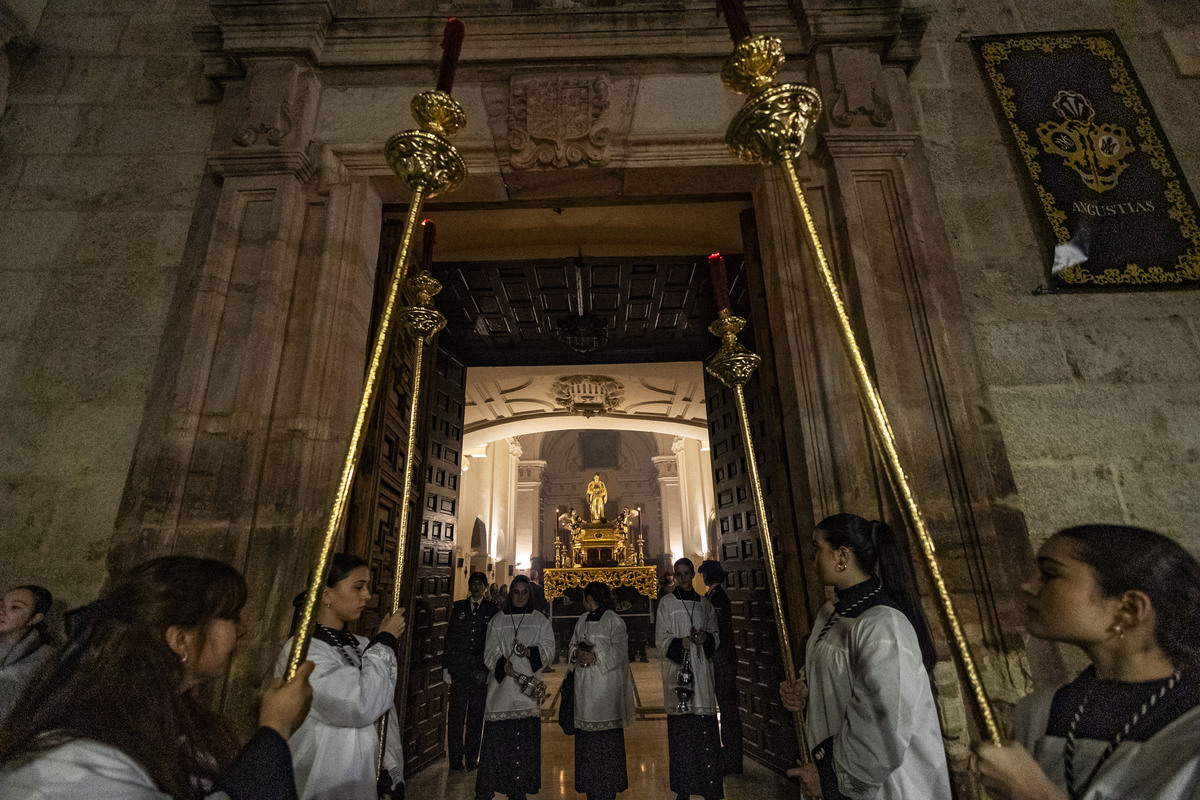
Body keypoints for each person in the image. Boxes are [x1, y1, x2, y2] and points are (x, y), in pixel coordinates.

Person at [0, 556, 314, 800]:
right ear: (181, 640)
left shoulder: (173, 723)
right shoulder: (76, 756)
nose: (242, 630)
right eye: (230, 615)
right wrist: (275, 729)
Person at [974, 524, 1200, 800]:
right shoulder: (1041, 713)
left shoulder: (1191, 723)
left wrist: (1032, 793)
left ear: (1128, 609)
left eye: (1049, 574)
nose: (1028, 586)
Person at [779, 513, 950, 800]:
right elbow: (829, 673)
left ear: (841, 556)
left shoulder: (883, 626)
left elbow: (883, 721)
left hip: (882, 784)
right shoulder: (830, 613)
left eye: (816, 548)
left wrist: (830, 776)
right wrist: (803, 688)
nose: (812, 559)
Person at [275, 553, 407, 800]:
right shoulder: (303, 652)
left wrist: (389, 767)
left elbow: (384, 714)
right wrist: (385, 642)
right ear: (326, 595)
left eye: (367, 586)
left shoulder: (362, 645)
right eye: (358, 587)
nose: (367, 595)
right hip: (326, 780)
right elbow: (359, 704)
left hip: (365, 778)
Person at [475, 575, 554, 800]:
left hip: (526, 695)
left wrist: (531, 652)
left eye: (524, 593)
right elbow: (489, 650)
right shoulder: (498, 620)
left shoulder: (539, 620)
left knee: (523, 746)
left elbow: (549, 648)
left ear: (530, 595)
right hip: (500, 693)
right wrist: (501, 664)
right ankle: (491, 788)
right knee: (498, 746)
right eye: (516, 592)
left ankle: (518, 792)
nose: (520, 597)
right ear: (511, 594)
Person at [657, 557, 723, 800]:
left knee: (704, 731)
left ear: (693, 574)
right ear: (674, 576)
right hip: (679, 672)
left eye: (686, 573)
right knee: (682, 735)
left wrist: (705, 639)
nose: (682, 578)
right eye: (678, 574)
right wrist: (681, 643)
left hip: (702, 671)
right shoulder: (666, 603)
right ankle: (683, 790)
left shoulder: (705, 604)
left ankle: (709, 787)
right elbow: (661, 638)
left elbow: (716, 634)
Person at [570, 582, 635, 800]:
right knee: (587, 744)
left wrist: (597, 657)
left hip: (606, 688)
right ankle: (589, 787)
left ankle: (608, 788)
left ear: (590, 597)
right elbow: (572, 645)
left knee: (607, 746)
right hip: (584, 688)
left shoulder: (613, 621)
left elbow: (620, 651)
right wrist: (577, 654)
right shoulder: (581, 620)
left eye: (585, 598)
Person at [442, 571, 499, 770]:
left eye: (479, 584)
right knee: (457, 715)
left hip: (480, 671)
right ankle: (455, 759)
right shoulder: (459, 608)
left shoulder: (492, 610)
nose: (476, 588)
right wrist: (446, 667)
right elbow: (450, 638)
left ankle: (472, 758)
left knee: (476, 716)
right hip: (460, 669)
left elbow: (494, 641)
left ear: (485, 587)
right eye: (473, 584)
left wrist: (492, 668)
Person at [697, 560, 742, 776]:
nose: (702, 577)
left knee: (727, 707)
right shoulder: (713, 596)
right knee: (725, 706)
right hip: (720, 657)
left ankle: (732, 758)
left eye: (703, 573)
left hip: (722, 658)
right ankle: (729, 755)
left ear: (707, 575)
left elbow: (718, 629)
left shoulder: (717, 598)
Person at [0, 585, 56, 724]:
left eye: (15, 607)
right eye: (1, 604)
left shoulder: (45, 658)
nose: (1, 611)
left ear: (35, 618)